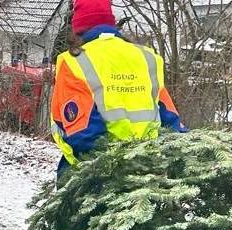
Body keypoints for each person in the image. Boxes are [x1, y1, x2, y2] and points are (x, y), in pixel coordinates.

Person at [50, 0, 186, 178]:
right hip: (146, 173)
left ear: (78, 28)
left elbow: (82, 135)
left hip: (94, 175)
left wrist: (112, 173)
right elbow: (170, 120)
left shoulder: (74, 61)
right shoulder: (146, 57)